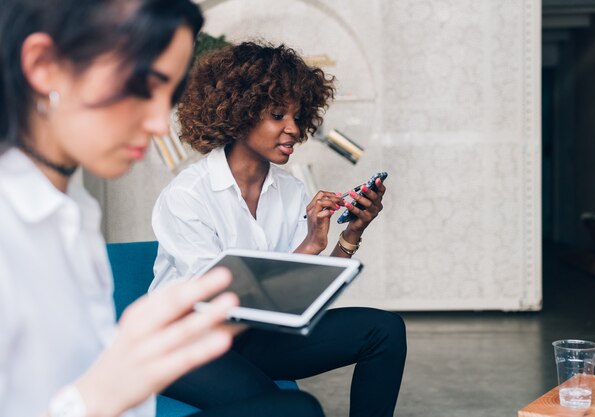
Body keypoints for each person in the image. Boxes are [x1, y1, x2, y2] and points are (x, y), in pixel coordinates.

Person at [0, 2, 324, 417]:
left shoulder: (74, 213)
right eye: (141, 86)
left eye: (167, 94)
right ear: (44, 66)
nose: (157, 122)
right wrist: (105, 388)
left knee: (296, 408)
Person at [150, 41, 407, 417]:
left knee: (384, 330)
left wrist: (348, 236)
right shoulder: (187, 195)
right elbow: (219, 302)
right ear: (238, 113)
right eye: (277, 115)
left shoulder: (289, 190)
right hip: (186, 344)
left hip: (254, 336)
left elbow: (298, 303)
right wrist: (306, 249)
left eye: (298, 116)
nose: (293, 129)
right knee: (283, 406)